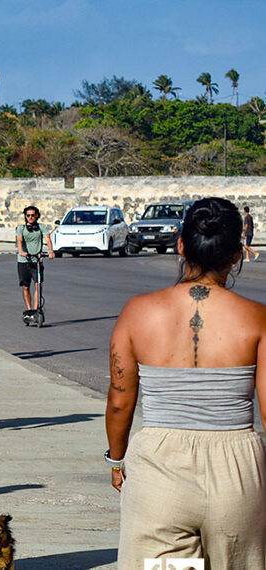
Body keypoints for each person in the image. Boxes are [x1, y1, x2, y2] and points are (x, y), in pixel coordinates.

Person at [106, 197, 266, 569]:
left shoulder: (138, 312)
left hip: (160, 467)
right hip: (238, 468)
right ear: (236, 256)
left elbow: (119, 400)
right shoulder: (257, 318)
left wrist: (117, 461)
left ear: (180, 244)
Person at [15, 205, 55, 318]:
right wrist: (22, 251)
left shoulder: (41, 227)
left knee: (38, 285)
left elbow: (47, 238)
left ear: (37, 216)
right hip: (24, 260)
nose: (31, 217)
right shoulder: (21, 228)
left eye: (33, 215)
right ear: (25, 216)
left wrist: (51, 251)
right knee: (26, 286)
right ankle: (29, 310)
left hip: (37, 260)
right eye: (28, 215)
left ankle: (36, 309)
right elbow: (19, 240)